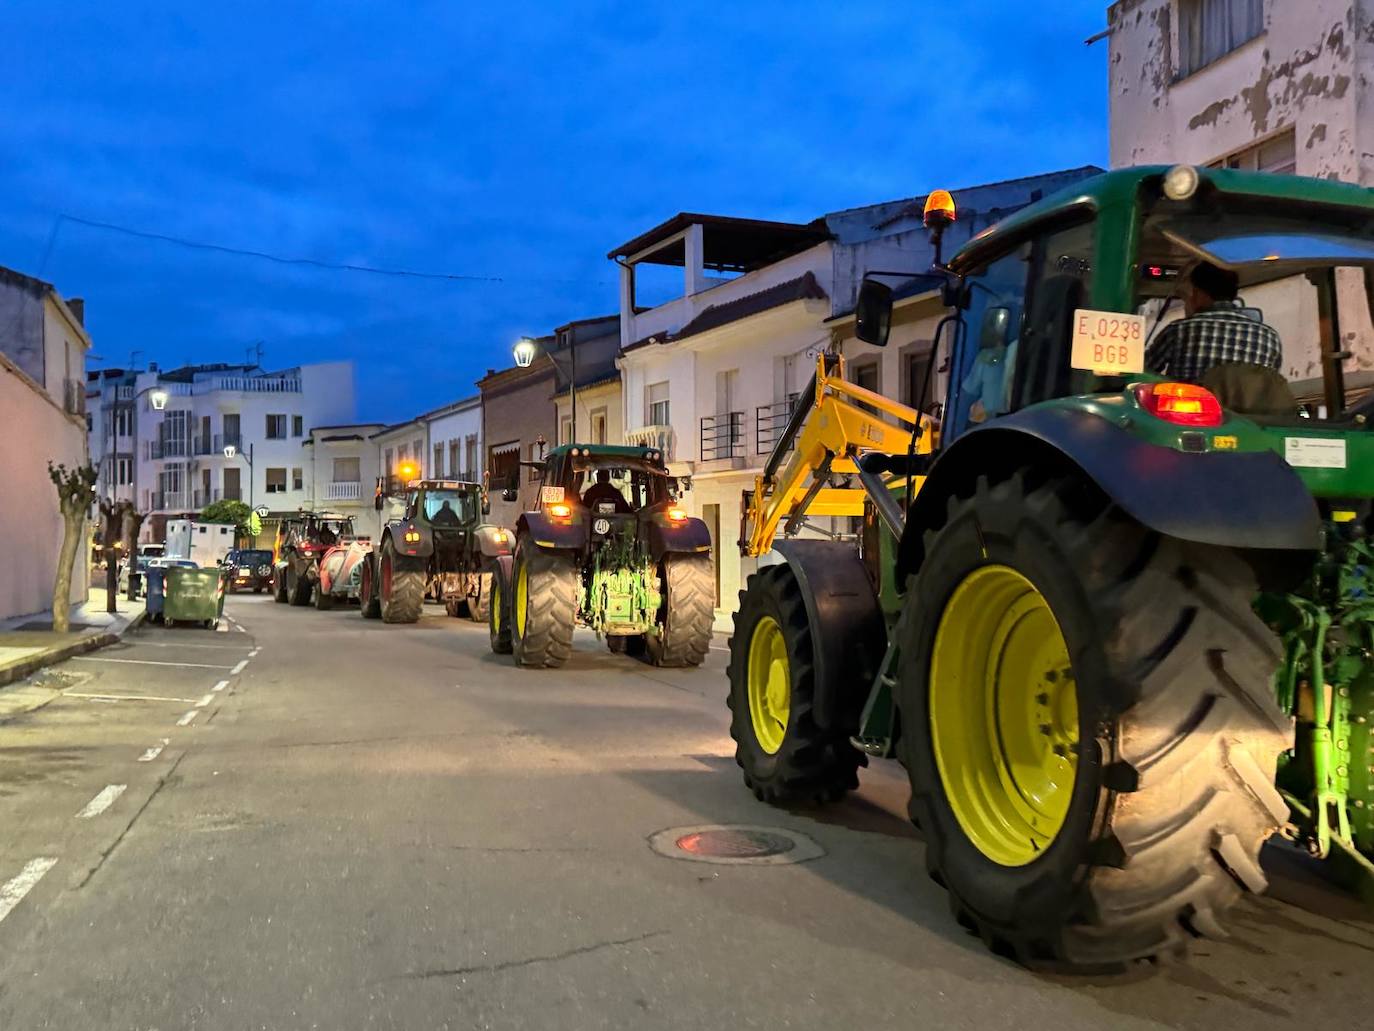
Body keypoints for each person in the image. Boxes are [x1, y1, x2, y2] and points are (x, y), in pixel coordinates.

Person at [1144, 261, 1282, 382]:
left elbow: (1144, 371)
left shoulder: (1179, 330)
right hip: (1247, 412)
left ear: (1197, 293)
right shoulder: (1270, 337)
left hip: (1191, 410)